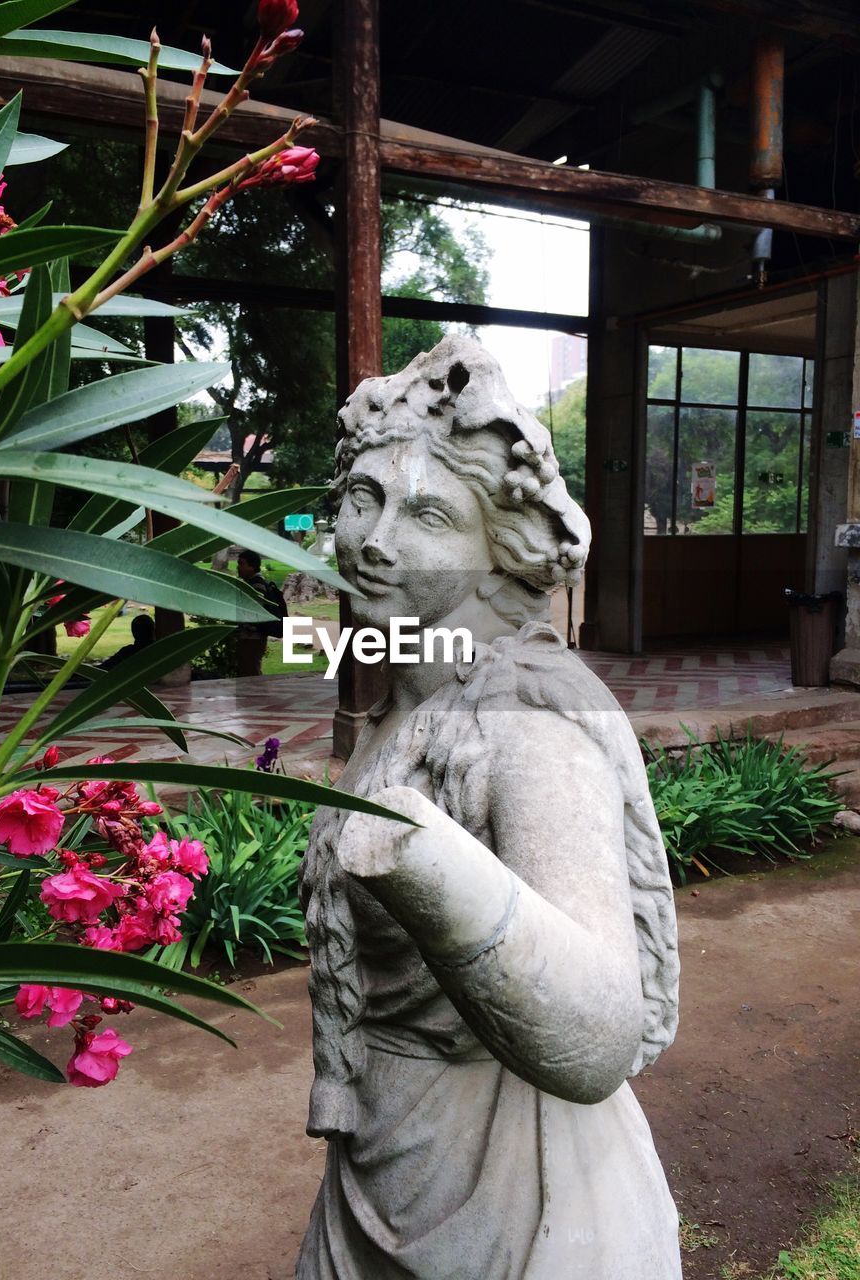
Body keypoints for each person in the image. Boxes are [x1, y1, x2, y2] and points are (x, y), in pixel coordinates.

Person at [297, 336, 682, 1279]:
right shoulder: (401, 695)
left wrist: (426, 859)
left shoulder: (528, 721)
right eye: (362, 501)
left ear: (494, 545)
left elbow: (596, 1034)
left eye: (427, 512)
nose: (376, 541)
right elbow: (311, 644)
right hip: (383, 1158)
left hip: (514, 1181)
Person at [235, 548, 287, 677]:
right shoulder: (251, 584)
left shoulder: (257, 586)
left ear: (252, 566)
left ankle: (256, 696)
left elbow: (253, 612)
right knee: (248, 670)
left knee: (251, 671)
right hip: (250, 636)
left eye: (242, 564)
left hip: (252, 637)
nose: (238, 567)